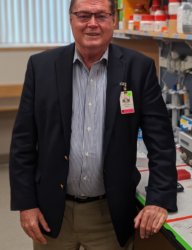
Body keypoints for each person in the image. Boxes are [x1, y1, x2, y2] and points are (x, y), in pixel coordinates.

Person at [9, 0, 177, 249]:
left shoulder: (138, 69)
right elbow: (23, 142)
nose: (92, 24)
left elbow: (161, 142)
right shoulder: (41, 66)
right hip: (52, 213)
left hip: (109, 214)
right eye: (84, 15)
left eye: (101, 15)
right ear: (70, 20)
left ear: (113, 20)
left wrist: (158, 199)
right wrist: (26, 204)